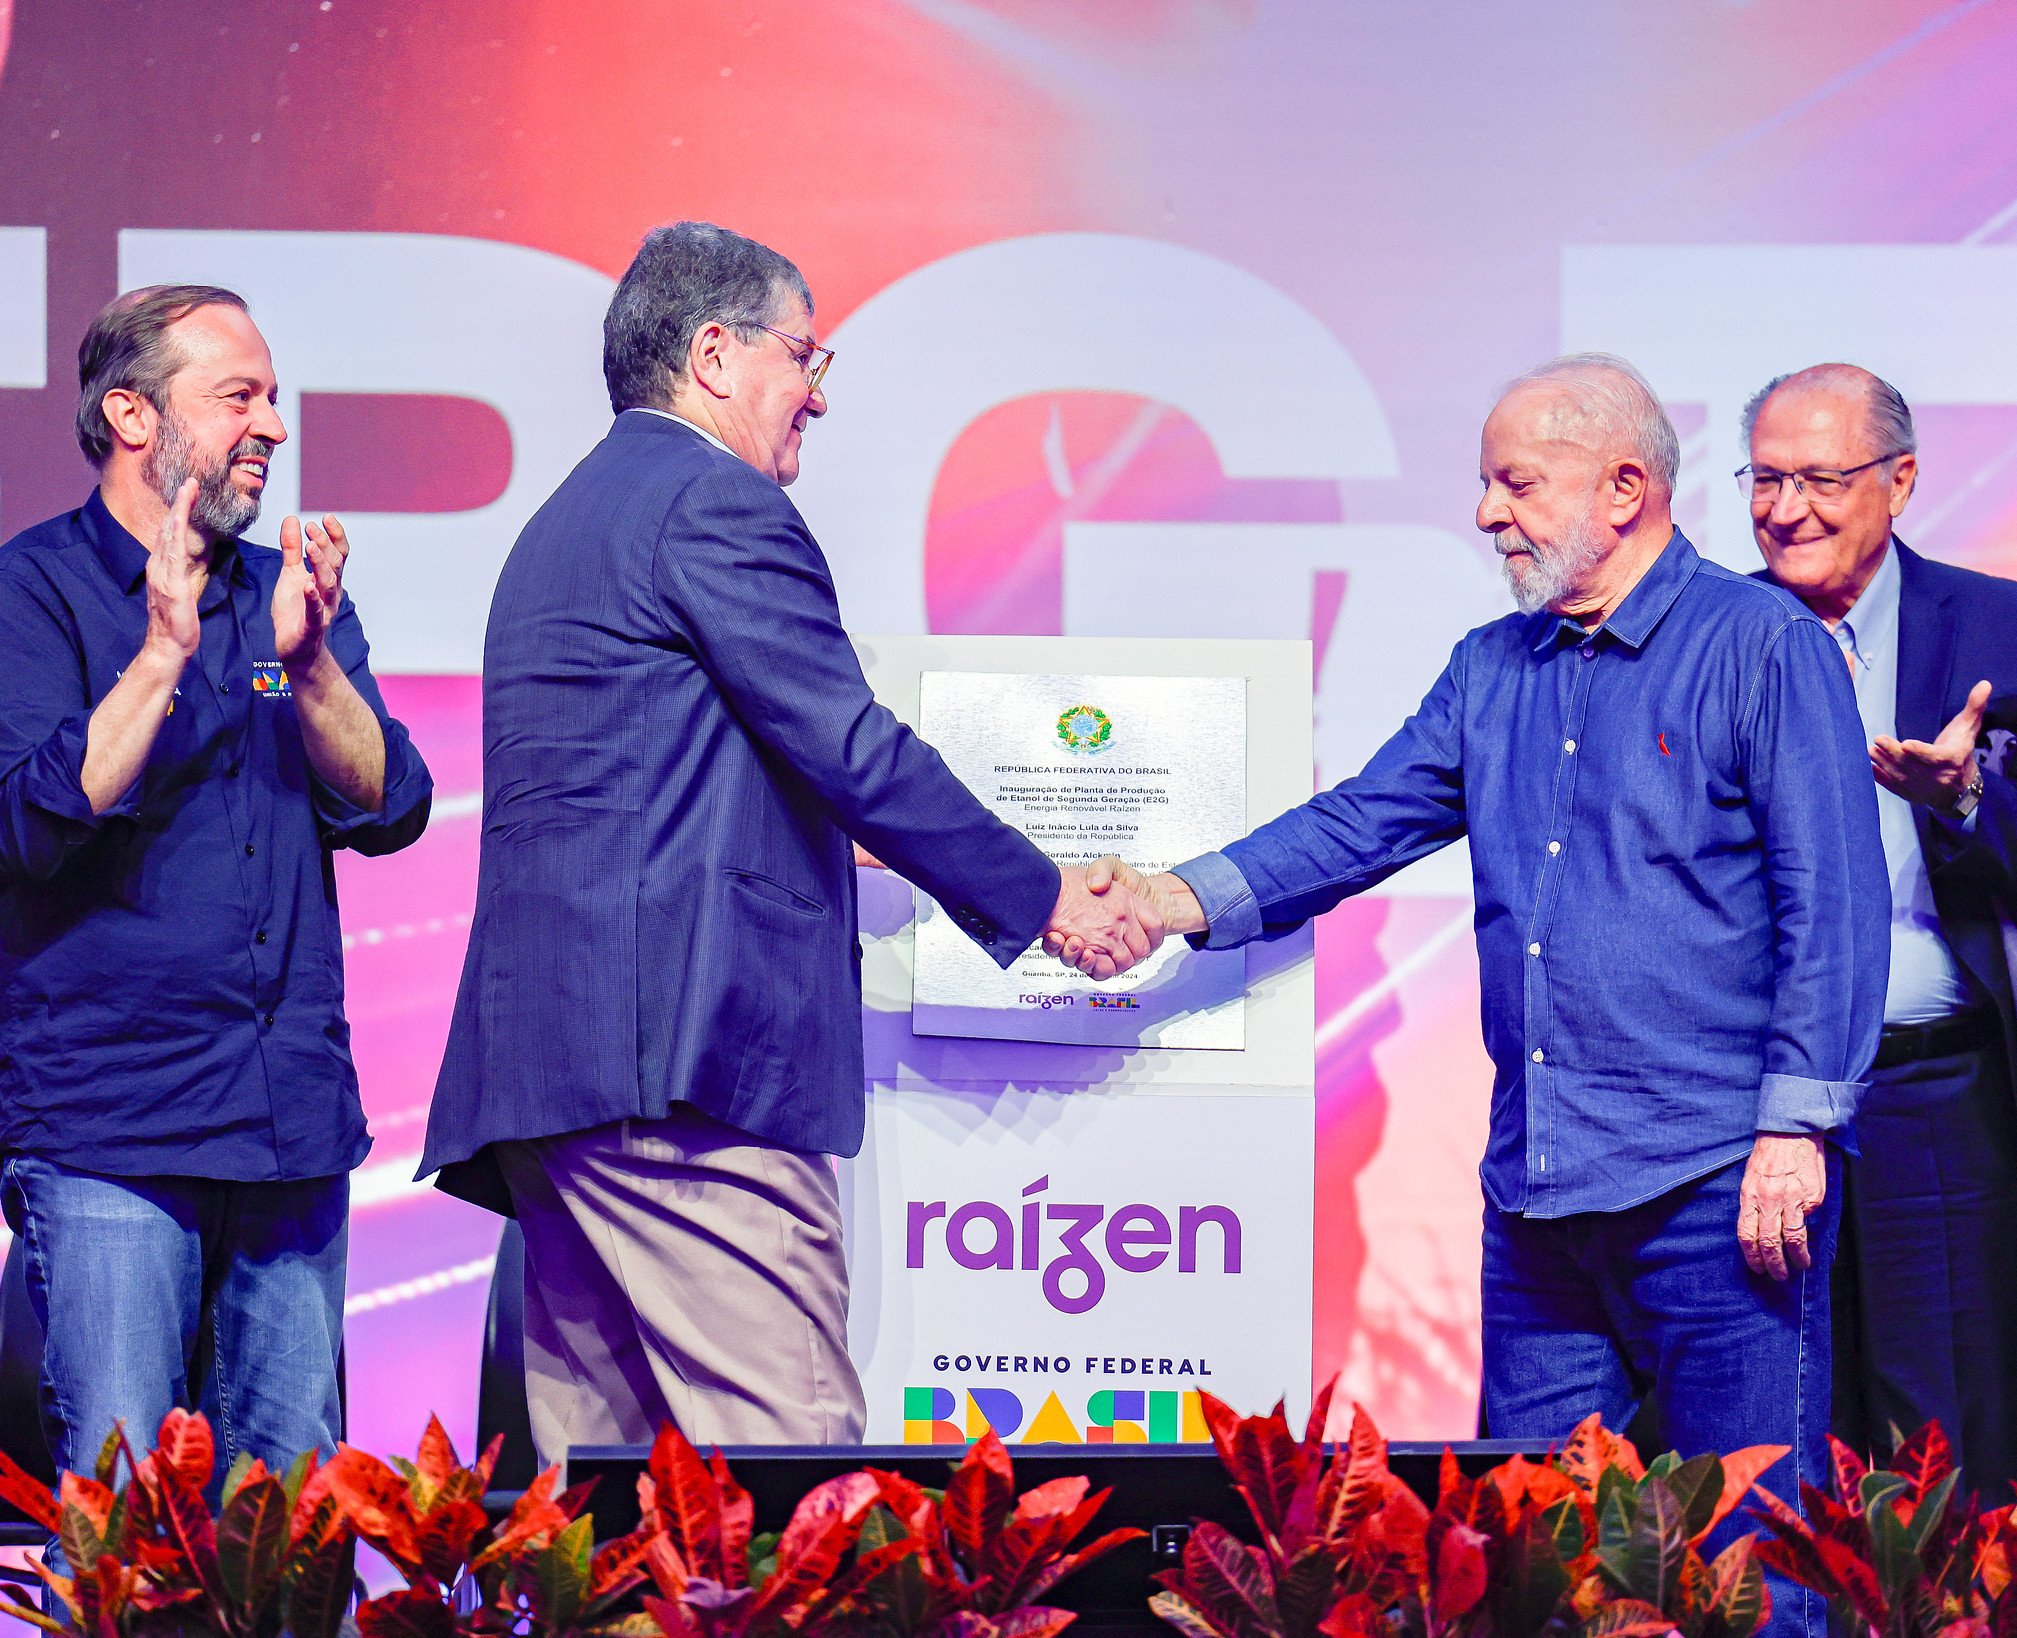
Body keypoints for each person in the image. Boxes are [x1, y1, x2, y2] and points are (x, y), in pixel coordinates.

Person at [1061, 354, 1887, 1638]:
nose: (1487, 513)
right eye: (1486, 486)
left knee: (1754, 1577)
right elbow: (1361, 823)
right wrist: (1169, 899)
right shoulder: (1488, 668)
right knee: (1537, 1577)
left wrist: (1795, 1127)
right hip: (1538, 1201)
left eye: (1514, 483)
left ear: (1624, 489)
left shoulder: (1765, 646)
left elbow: (1830, 906)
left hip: (1720, 1189)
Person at [422, 221, 1159, 1461]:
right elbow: (848, 746)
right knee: (791, 1488)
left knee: (611, 1519)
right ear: (715, 354)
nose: (818, 394)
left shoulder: (565, 523)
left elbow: (667, 779)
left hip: (560, 1081)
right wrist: (1046, 900)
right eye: (804, 357)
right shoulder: (712, 503)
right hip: (682, 1084)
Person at [0, 285, 433, 1489]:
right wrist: (160, 656)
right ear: (132, 414)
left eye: (276, 398)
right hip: (111, 1133)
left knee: (291, 1526)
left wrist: (307, 670)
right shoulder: (29, 591)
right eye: (239, 394)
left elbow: (391, 803)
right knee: (129, 1523)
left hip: (287, 1125)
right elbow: (25, 824)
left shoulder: (282, 595)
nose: (274, 426)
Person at [1745, 363, 2017, 1494]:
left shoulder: (2010, 633)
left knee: (1942, 1461)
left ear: (1901, 480)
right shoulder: (1708, 634)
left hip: (1937, 1102)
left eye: (1820, 478)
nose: (1787, 509)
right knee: (1767, 1453)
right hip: (1750, 1110)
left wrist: (1963, 799)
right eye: (1765, 479)